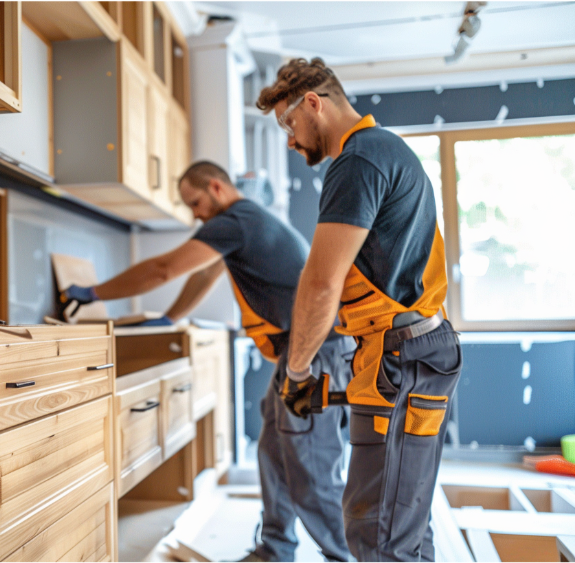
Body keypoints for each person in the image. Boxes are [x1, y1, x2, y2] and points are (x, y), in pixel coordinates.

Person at [63, 161, 355, 563]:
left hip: (316, 351)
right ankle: (275, 550)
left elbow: (162, 268)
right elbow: (203, 275)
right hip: (307, 349)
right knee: (273, 450)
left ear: (216, 188)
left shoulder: (234, 221)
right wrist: (172, 316)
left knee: (310, 465)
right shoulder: (244, 222)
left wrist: (94, 292)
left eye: (196, 202)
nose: (195, 214)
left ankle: (346, 557)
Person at [258, 58, 462, 563]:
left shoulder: (358, 159)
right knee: (403, 523)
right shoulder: (382, 151)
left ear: (313, 103)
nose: (289, 140)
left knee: (376, 534)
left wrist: (299, 370)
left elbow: (322, 282)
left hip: (401, 360)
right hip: (404, 354)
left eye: (288, 124)